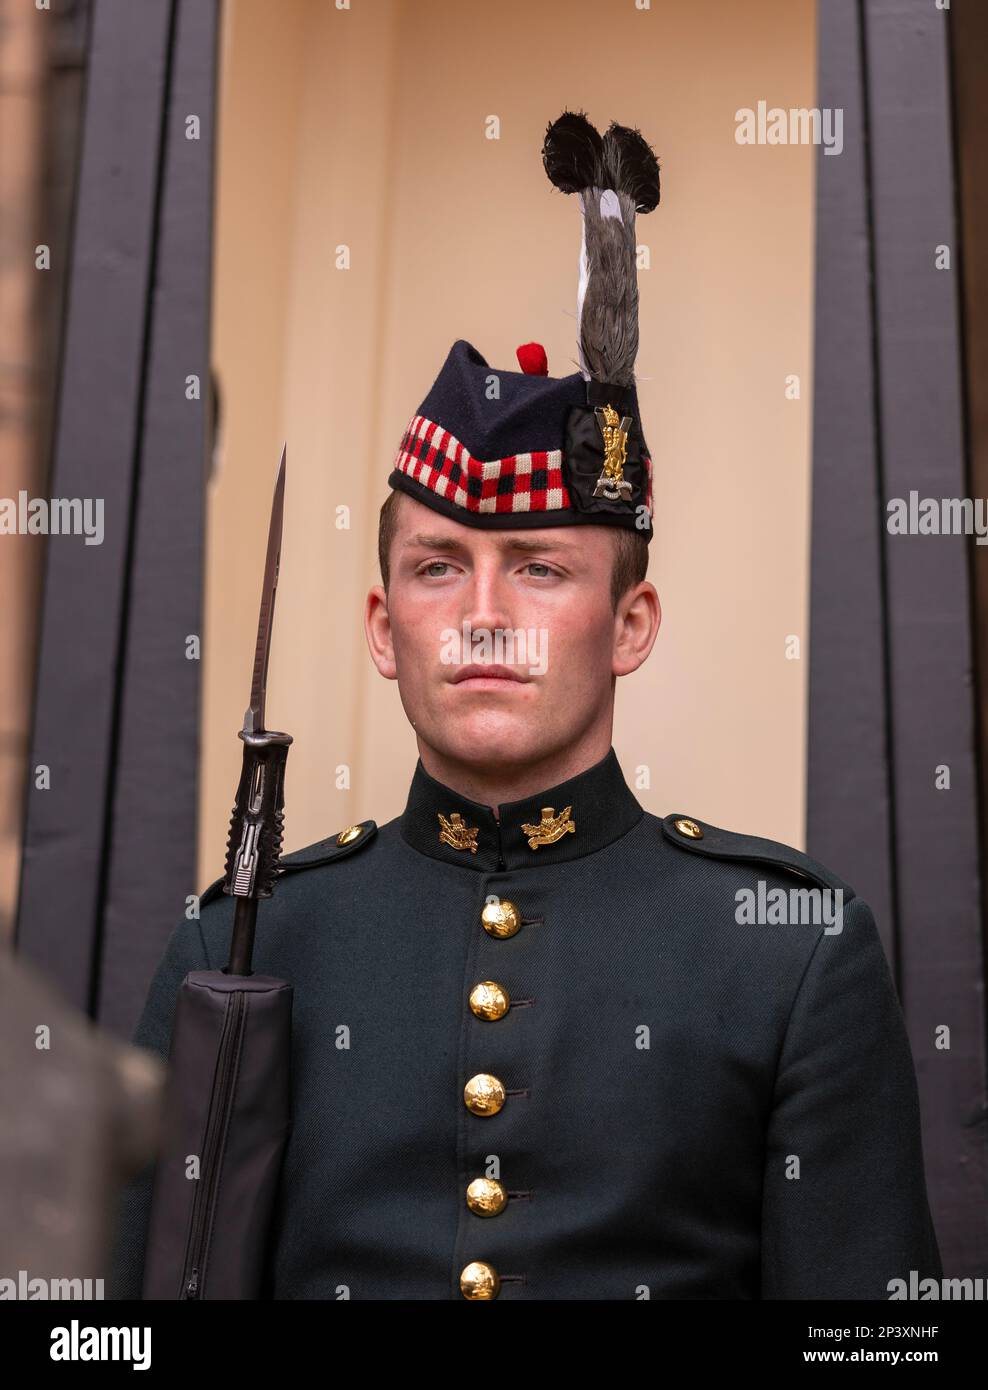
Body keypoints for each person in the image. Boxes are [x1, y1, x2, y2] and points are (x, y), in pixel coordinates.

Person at [109, 110, 941, 1300]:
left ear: (631, 625)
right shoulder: (242, 939)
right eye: (438, 566)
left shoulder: (791, 952)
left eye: (542, 568)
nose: (482, 613)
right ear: (382, 628)